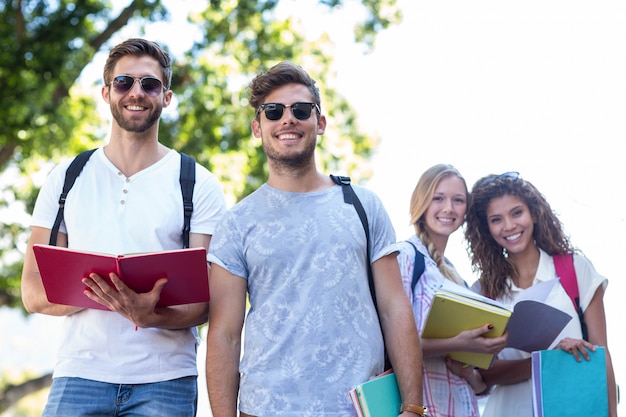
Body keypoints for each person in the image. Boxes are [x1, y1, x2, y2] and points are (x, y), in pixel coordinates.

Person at [205, 61, 425, 417]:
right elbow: (225, 336)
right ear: (257, 128)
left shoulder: (363, 205)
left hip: (358, 409)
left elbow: (395, 309)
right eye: (273, 112)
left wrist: (413, 407)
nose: (287, 119)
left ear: (319, 123)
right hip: (265, 409)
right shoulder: (236, 223)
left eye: (301, 110)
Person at [20, 38, 227, 416]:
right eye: (124, 82)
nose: (136, 92)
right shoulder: (67, 177)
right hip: (79, 376)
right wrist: (109, 293)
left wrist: (152, 315)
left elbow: (206, 302)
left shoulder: (198, 183)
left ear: (166, 97)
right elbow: (33, 292)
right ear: (105, 92)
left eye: (149, 84)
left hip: (166, 383)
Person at [464, 171, 618, 417]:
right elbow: (484, 375)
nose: (509, 226)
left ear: (534, 213)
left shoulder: (576, 270)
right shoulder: (482, 291)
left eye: (517, 213)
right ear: (487, 228)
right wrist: (549, 360)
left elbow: (602, 355)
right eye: (496, 219)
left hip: (573, 408)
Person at [396, 164, 507, 417]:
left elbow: (478, 385)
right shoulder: (405, 256)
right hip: (422, 407)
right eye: (438, 198)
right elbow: (394, 342)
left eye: (458, 200)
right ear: (421, 202)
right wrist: (457, 343)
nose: (448, 208)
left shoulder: (456, 277)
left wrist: (473, 359)